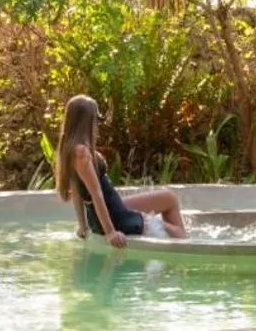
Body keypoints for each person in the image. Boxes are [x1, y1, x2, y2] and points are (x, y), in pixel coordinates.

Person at [54, 95, 186, 247]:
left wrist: (83, 225)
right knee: (179, 233)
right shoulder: (81, 152)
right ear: (87, 122)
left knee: (168, 198)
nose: (97, 125)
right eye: (96, 120)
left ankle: (163, 230)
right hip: (117, 217)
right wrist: (110, 232)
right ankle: (177, 239)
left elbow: (76, 190)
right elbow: (97, 194)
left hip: (113, 207)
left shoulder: (69, 150)